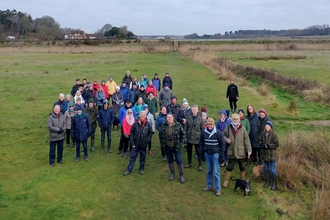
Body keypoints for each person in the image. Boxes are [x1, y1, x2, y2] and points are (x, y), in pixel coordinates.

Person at [223, 114, 252, 188]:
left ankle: (242, 180)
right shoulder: (228, 127)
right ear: (232, 120)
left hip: (240, 151)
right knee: (230, 167)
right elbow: (224, 135)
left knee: (242, 166)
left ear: (239, 120)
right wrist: (226, 139)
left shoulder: (243, 128)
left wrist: (249, 150)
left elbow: (247, 140)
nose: (235, 121)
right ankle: (226, 181)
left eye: (236, 119)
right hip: (232, 150)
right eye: (234, 119)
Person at [200, 118, 225, 197]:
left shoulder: (218, 133)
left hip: (215, 154)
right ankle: (209, 186)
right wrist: (201, 154)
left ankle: (218, 189)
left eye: (211, 124)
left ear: (213, 124)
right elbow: (201, 144)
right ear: (206, 124)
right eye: (208, 124)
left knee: (216, 172)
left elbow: (222, 145)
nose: (210, 126)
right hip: (207, 154)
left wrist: (221, 155)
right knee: (209, 170)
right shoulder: (203, 132)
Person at [123, 111, 153, 176]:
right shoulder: (135, 124)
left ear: (145, 117)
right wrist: (132, 143)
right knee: (132, 157)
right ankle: (129, 169)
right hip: (135, 144)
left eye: (143, 116)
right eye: (141, 116)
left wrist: (147, 140)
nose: (142, 117)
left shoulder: (148, 124)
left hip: (143, 145)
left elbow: (150, 133)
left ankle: (141, 169)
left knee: (143, 157)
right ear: (139, 116)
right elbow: (131, 133)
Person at [159, 113, 186, 183]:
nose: (169, 119)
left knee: (179, 160)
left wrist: (180, 144)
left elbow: (183, 134)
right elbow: (160, 135)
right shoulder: (163, 126)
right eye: (168, 118)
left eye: (171, 117)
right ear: (166, 119)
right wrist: (162, 144)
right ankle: (173, 174)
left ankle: (181, 175)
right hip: (167, 147)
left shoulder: (178, 125)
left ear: (173, 118)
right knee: (170, 161)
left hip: (176, 147)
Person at [259, 121, 279, 191]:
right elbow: (260, 140)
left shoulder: (274, 135)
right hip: (265, 155)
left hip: (272, 155)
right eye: (266, 125)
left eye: (268, 125)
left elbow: (277, 145)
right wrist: (262, 144)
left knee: (273, 170)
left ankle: (273, 184)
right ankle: (267, 182)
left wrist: (268, 145)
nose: (267, 127)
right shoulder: (263, 134)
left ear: (271, 127)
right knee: (266, 169)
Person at [184, 105, 204, 171]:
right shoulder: (188, 118)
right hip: (189, 138)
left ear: (197, 110)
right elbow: (186, 128)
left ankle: (200, 164)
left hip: (197, 138)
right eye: (193, 109)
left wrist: (201, 137)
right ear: (191, 110)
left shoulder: (200, 118)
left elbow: (202, 129)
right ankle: (189, 163)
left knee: (198, 152)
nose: (194, 110)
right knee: (189, 151)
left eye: (195, 109)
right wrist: (186, 136)